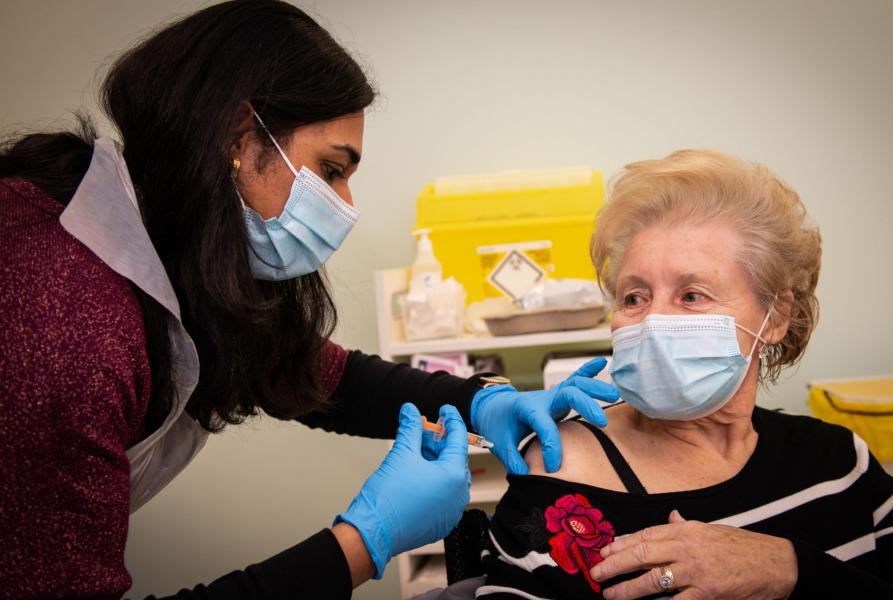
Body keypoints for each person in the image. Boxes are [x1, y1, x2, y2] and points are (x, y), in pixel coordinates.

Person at [0, 2, 619, 598]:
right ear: (239, 138)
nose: (346, 206)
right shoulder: (62, 318)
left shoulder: (162, 248)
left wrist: (480, 402)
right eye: (330, 170)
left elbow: (310, 372)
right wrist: (362, 543)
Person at [476, 150, 893, 599]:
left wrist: (791, 570)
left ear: (775, 317)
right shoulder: (561, 471)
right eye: (634, 297)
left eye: (692, 295)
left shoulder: (837, 461)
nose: (654, 322)